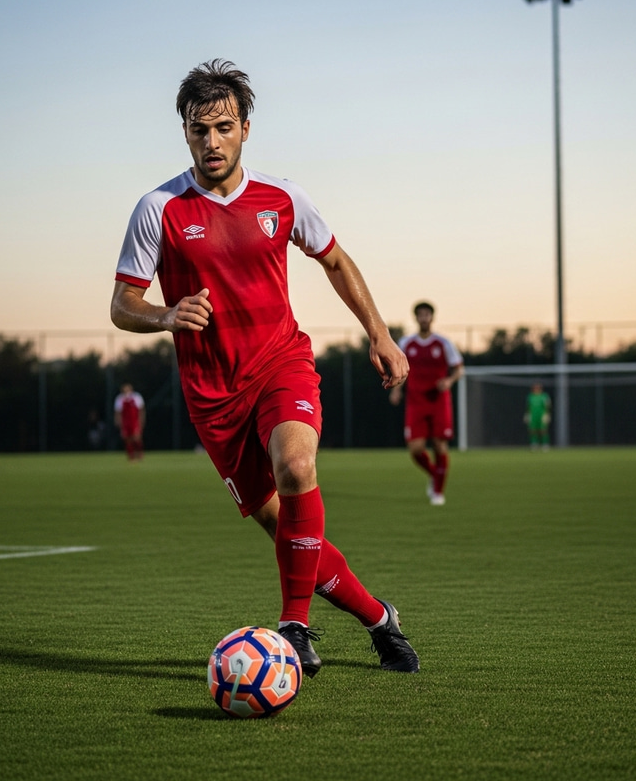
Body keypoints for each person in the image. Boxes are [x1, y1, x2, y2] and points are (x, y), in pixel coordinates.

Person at [110, 59, 418, 676]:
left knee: (297, 464)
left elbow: (334, 260)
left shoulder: (281, 196)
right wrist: (167, 316)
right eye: (199, 130)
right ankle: (381, 620)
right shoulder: (158, 208)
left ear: (246, 128)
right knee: (287, 530)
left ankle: (294, 629)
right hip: (213, 397)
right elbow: (123, 305)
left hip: (281, 363)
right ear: (185, 133)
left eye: (224, 127)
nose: (212, 141)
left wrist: (380, 334)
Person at [389, 301, 464, 506]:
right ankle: (435, 475)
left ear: (432, 317)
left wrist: (449, 381)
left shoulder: (443, 343)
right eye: (420, 315)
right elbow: (400, 370)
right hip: (416, 402)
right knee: (415, 449)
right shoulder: (406, 343)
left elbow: (459, 368)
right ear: (416, 318)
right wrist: (396, 390)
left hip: (439, 402)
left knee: (440, 445)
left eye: (427, 314)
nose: (424, 318)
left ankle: (438, 491)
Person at [114, 383, 145, 461]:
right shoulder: (119, 399)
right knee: (127, 439)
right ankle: (131, 455)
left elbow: (141, 410)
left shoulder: (136, 397)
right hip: (125, 422)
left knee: (136, 438)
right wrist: (118, 421)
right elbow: (118, 412)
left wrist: (142, 420)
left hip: (134, 421)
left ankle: (139, 453)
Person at [525, 382, 552, 450]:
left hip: (541, 415)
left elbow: (548, 406)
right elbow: (528, 407)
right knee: (533, 430)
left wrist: (547, 414)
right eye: (535, 388)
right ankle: (534, 444)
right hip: (533, 415)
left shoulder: (544, 396)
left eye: (538, 388)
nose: (536, 389)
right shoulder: (531, 396)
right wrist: (527, 415)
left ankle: (545, 444)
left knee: (543, 430)